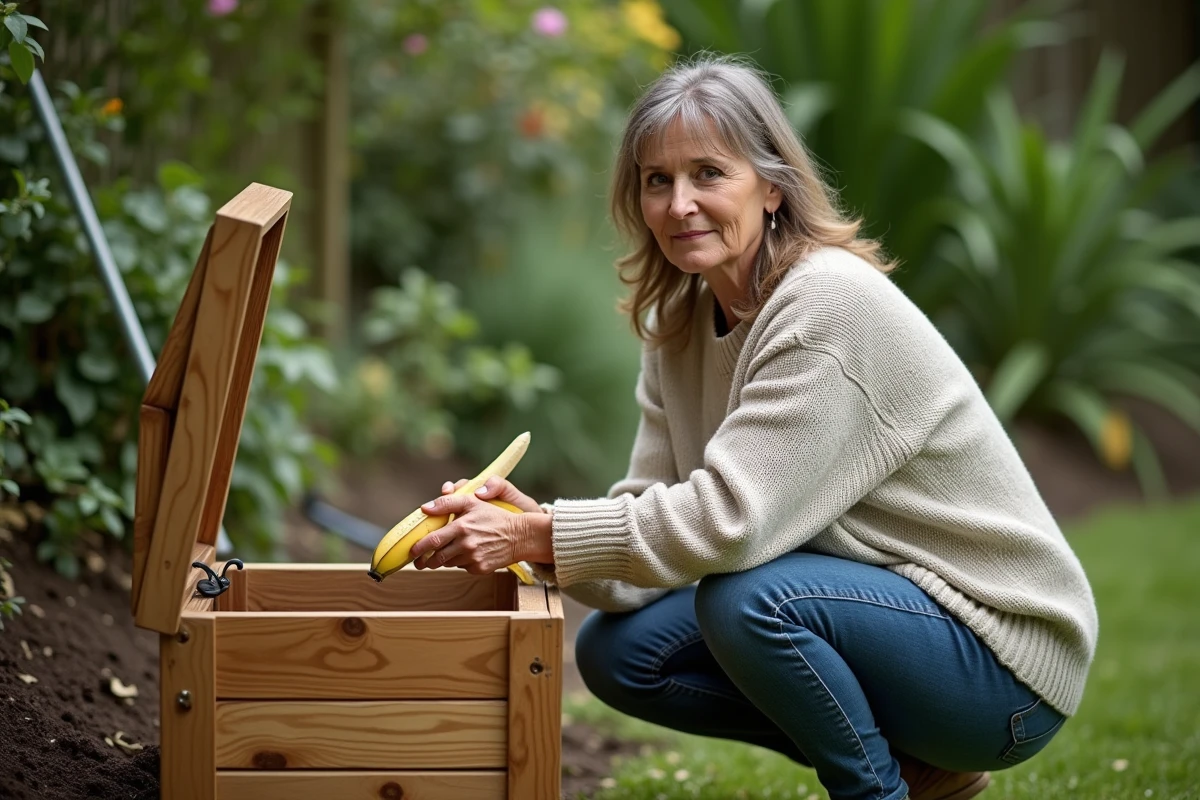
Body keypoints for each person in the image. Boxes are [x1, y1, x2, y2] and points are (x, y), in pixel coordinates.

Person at [410, 54, 1098, 800]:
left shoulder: (825, 307)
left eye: (709, 173)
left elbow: (727, 524)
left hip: (1001, 661)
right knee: (619, 651)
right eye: (657, 180)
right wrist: (533, 530)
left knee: (747, 601)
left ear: (772, 187)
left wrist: (537, 536)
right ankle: (919, 769)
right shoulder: (678, 326)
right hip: (889, 616)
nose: (680, 204)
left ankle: (879, 790)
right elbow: (648, 516)